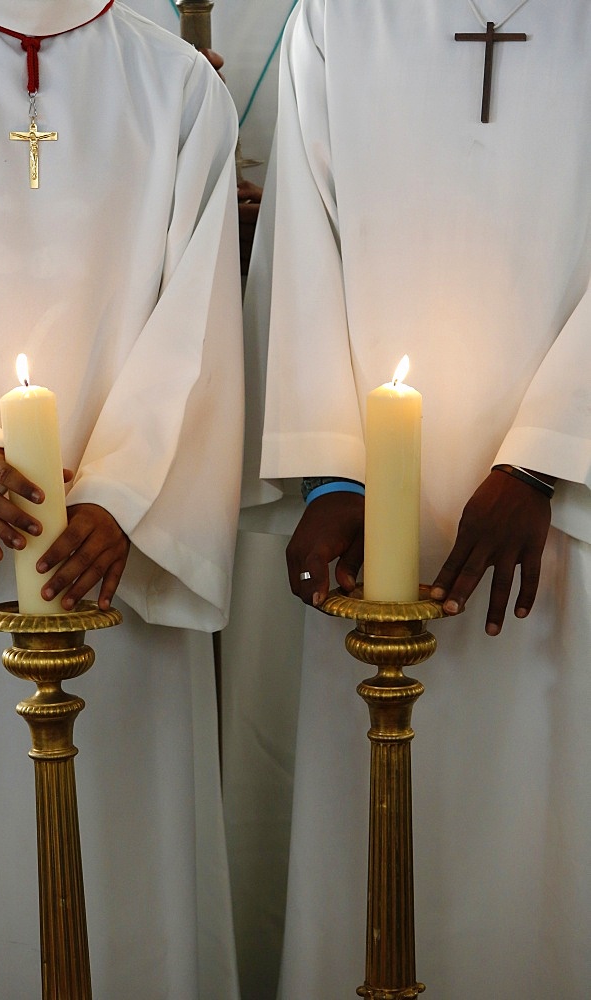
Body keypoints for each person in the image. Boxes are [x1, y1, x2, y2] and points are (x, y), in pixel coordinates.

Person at [254, 0, 591, 997]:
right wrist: (331, 474)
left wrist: (540, 459)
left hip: (565, 513)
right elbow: (301, 248)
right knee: (369, 828)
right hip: (372, 542)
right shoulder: (336, 18)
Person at [0, 1, 243, 997]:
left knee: (126, 859)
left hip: (111, 566)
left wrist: (117, 495)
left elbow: (200, 314)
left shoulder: (178, 83)